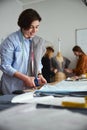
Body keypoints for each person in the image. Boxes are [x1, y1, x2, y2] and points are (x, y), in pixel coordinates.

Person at [0, 8, 47, 94]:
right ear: (23, 25)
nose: (34, 31)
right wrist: (25, 78)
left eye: (37, 27)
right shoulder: (11, 41)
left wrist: (40, 75)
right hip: (12, 87)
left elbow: (38, 62)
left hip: (30, 86)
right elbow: (5, 66)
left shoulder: (36, 41)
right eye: (31, 27)